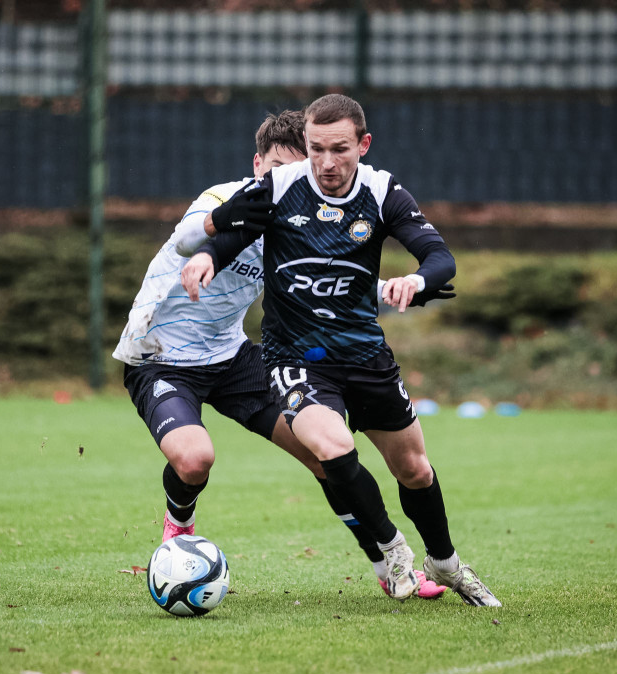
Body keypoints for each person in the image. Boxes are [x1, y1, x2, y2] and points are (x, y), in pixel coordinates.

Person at [113, 109, 447, 600]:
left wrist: (407, 287)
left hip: (231, 357)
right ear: (256, 165)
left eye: (297, 172)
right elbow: (190, 237)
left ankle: (389, 568)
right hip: (160, 356)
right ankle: (178, 527)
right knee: (194, 460)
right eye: (273, 170)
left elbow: (338, 281)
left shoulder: (297, 220)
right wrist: (206, 248)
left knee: (323, 455)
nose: (283, 182)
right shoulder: (223, 200)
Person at [181, 94, 500, 607]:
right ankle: (393, 552)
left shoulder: (381, 190)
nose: (326, 164)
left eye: (339, 150)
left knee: (415, 469)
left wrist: (416, 280)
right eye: (316, 150)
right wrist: (205, 258)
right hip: (295, 359)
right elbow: (231, 234)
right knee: (331, 447)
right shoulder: (281, 186)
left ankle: (444, 561)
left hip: (365, 355)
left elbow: (440, 257)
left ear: (363, 145)